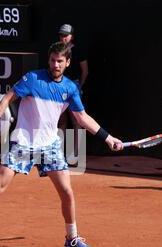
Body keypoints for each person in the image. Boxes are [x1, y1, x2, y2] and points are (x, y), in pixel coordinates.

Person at [0, 41, 123, 247]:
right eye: (52, 60)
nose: (55, 64)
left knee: (67, 192)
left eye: (60, 61)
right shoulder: (32, 79)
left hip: (49, 145)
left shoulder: (70, 88)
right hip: (23, 142)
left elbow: (82, 117)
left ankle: (71, 238)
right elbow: (7, 98)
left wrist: (108, 137)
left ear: (68, 63)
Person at [57, 24, 89, 162]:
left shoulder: (79, 50)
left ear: (72, 37)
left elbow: (85, 71)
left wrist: (78, 87)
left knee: (77, 121)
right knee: (61, 121)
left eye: (66, 35)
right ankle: (57, 155)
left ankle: (76, 156)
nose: (63, 38)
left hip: (73, 87)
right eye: (61, 35)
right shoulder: (56, 50)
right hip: (58, 87)